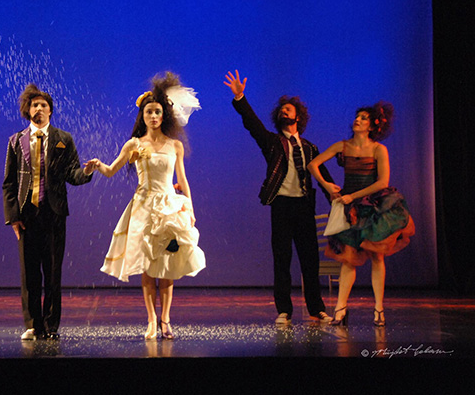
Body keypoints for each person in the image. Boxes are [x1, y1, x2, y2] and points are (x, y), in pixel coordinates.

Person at [86, 72, 206, 340]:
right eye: (149, 112)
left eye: (157, 112)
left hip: (169, 208)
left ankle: (166, 320)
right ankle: (151, 320)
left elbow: (183, 179)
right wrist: (98, 165)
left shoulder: (175, 145)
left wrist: (190, 209)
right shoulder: (134, 144)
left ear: (164, 116)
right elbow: (111, 170)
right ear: (142, 115)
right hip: (143, 208)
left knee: (167, 266)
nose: (153, 116)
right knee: (148, 267)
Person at [224, 70, 332, 324]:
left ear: (298, 117)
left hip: (304, 206)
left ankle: (316, 308)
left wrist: (339, 201)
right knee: (282, 258)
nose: (284, 111)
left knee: (310, 260)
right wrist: (240, 98)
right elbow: (253, 124)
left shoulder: (310, 147)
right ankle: (284, 310)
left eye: (289, 109)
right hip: (281, 205)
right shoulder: (272, 142)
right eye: (282, 109)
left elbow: (324, 178)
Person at [307, 102, 414, 327]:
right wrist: (328, 186)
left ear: (372, 125)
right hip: (351, 209)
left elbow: (382, 182)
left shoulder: (378, 149)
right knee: (348, 260)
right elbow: (313, 164)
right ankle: (340, 309)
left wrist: (352, 196)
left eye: (364, 118)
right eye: (358, 116)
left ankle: (379, 309)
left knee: (377, 256)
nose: (358, 120)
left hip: (373, 207)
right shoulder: (343, 146)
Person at [3, 84, 96, 340]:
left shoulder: (63, 139)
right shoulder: (16, 141)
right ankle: (33, 324)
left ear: (50, 111)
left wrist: (86, 172)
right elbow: (9, 183)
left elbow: (72, 174)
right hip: (27, 216)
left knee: (53, 273)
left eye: (44, 105)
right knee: (30, 273)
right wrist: (13, 217)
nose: (39, 109)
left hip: (54, 214)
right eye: (35, 105)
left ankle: (51, 325)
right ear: (28, 110)